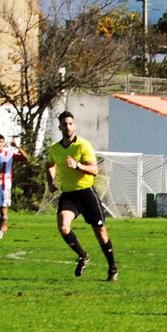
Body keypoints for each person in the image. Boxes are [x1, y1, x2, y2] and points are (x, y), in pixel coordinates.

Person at [45, 111, 119, 282]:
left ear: (74, 125)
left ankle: (112, 267)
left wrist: (77, 165)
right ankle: (83, 255)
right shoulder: (55, 149)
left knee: (100, 231)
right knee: (63, 227)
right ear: (59, 127)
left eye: (70, 124)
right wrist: (50, 182)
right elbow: (49, 164)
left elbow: (94, 170)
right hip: (68, 194)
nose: (68, 127)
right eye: (64, 124)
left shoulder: (83, 145)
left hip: (86, 193)